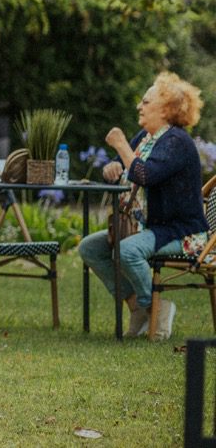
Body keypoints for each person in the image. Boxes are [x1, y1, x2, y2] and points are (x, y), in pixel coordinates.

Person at [78, 71, 206, 341]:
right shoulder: (146, 138)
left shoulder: (176, 142)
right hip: (147, 227)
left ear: (167, 109)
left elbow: (145, 174)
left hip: (181, 232)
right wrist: (111, 168)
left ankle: (156, 308)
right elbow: (123, 169)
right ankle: (137, 305)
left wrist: (122, 145)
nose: (139, 106)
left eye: (146, 102)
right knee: (90, 247)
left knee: (126, 250)